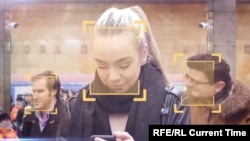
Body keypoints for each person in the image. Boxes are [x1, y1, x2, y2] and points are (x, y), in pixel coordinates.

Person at [67, 5, 190, 141]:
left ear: (143, 54)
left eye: (124, 65)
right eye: (102, 65)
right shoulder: (77, 105)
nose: (113, 77)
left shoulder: (173, 104)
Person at [183, 53, 250, 124]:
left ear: (218, 86)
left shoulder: (245, 113)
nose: (188, 84)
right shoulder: (185, 104)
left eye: (194, 81)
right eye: (188, 78)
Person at [21, 70, 69, 140]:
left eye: (40, 91)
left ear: (53, 91)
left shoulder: (68, 116)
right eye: (34, 91)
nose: (35, 97)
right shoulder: (29, 118)